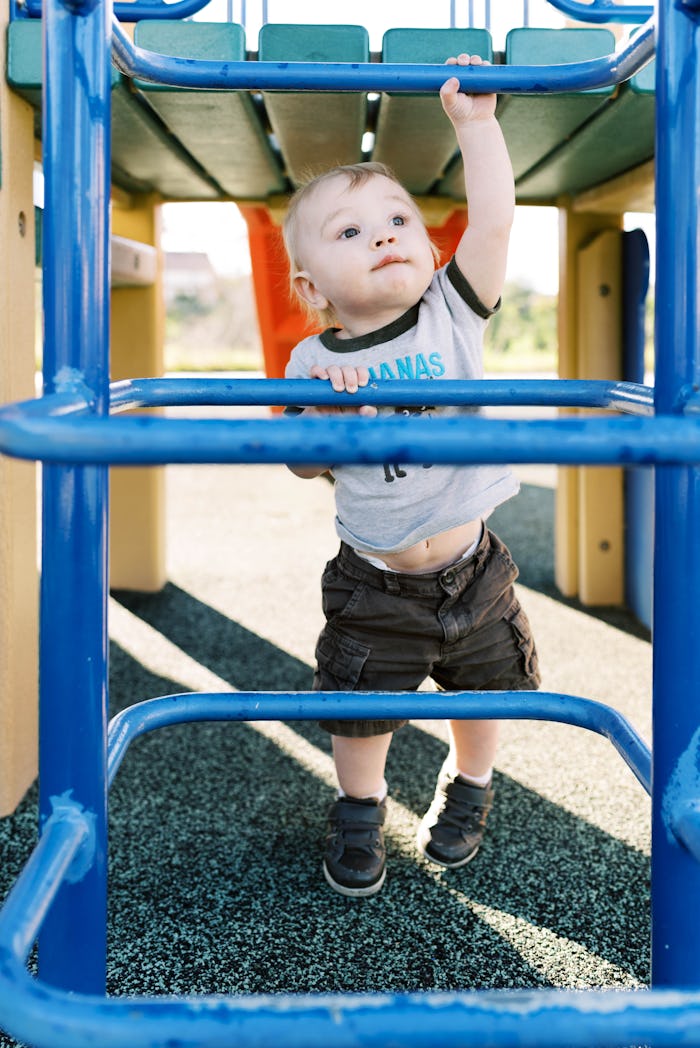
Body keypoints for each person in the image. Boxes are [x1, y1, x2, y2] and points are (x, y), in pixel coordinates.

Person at [282, 54, 540, 897]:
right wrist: (326, 407)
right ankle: (360, 807)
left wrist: (477, 126)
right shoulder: (312, 359)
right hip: (376, 582)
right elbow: (302, 459)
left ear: (428, 246)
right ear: (311, 286)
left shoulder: (451, 310)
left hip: (476, 570)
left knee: (490, 692)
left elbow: (495, 225)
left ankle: (469, 785)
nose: (384, 233)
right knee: (359, 709)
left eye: (396, 218)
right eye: (350, 232)